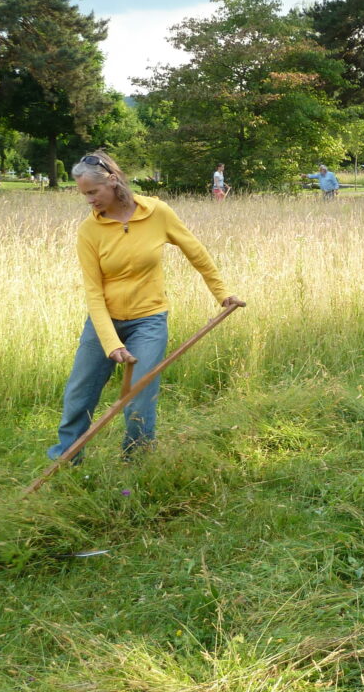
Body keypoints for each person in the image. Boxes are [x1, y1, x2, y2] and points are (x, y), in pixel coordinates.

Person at [49, 150, 245, 461]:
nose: (89, 200)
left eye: (93, 192)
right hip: (105, 322)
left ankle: (136, 464)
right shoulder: (89, 229)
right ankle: (65, 461)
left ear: (112, 181)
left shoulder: (157, 212)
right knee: (79, 395)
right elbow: (93, 292)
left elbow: (197, 253)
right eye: (84, 194)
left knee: (139, 396)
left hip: (149, 321)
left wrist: (221, 293)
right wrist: (111, 343)